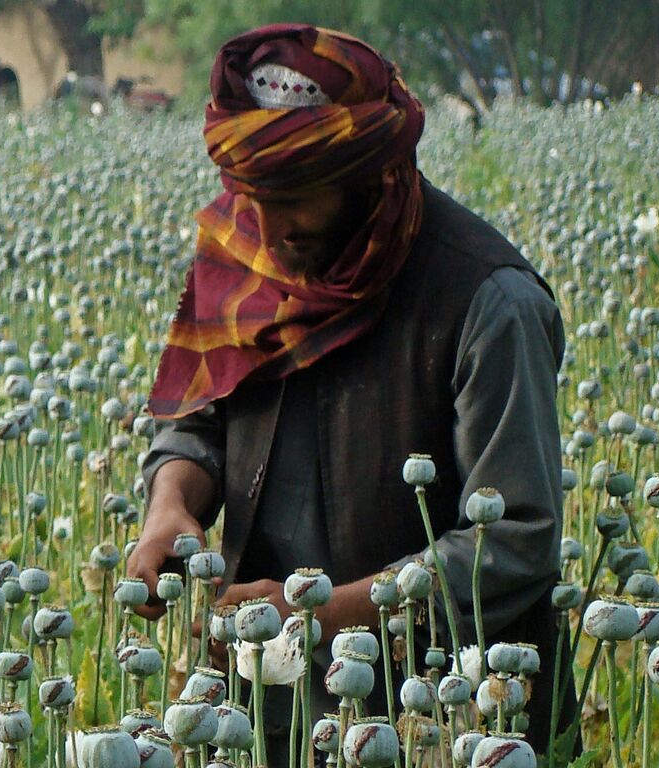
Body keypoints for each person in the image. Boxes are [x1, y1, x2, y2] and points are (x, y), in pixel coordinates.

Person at [124, 24, 567, 760]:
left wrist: (324, 612)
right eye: (253, 195)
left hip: (442, 723)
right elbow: (196, 422)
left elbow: (515, 540)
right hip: (259, 712)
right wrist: (170, 507)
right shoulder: (249, 254)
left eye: (296, 198)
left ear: (369, 177)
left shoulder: (488, 301)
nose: (270, 224)